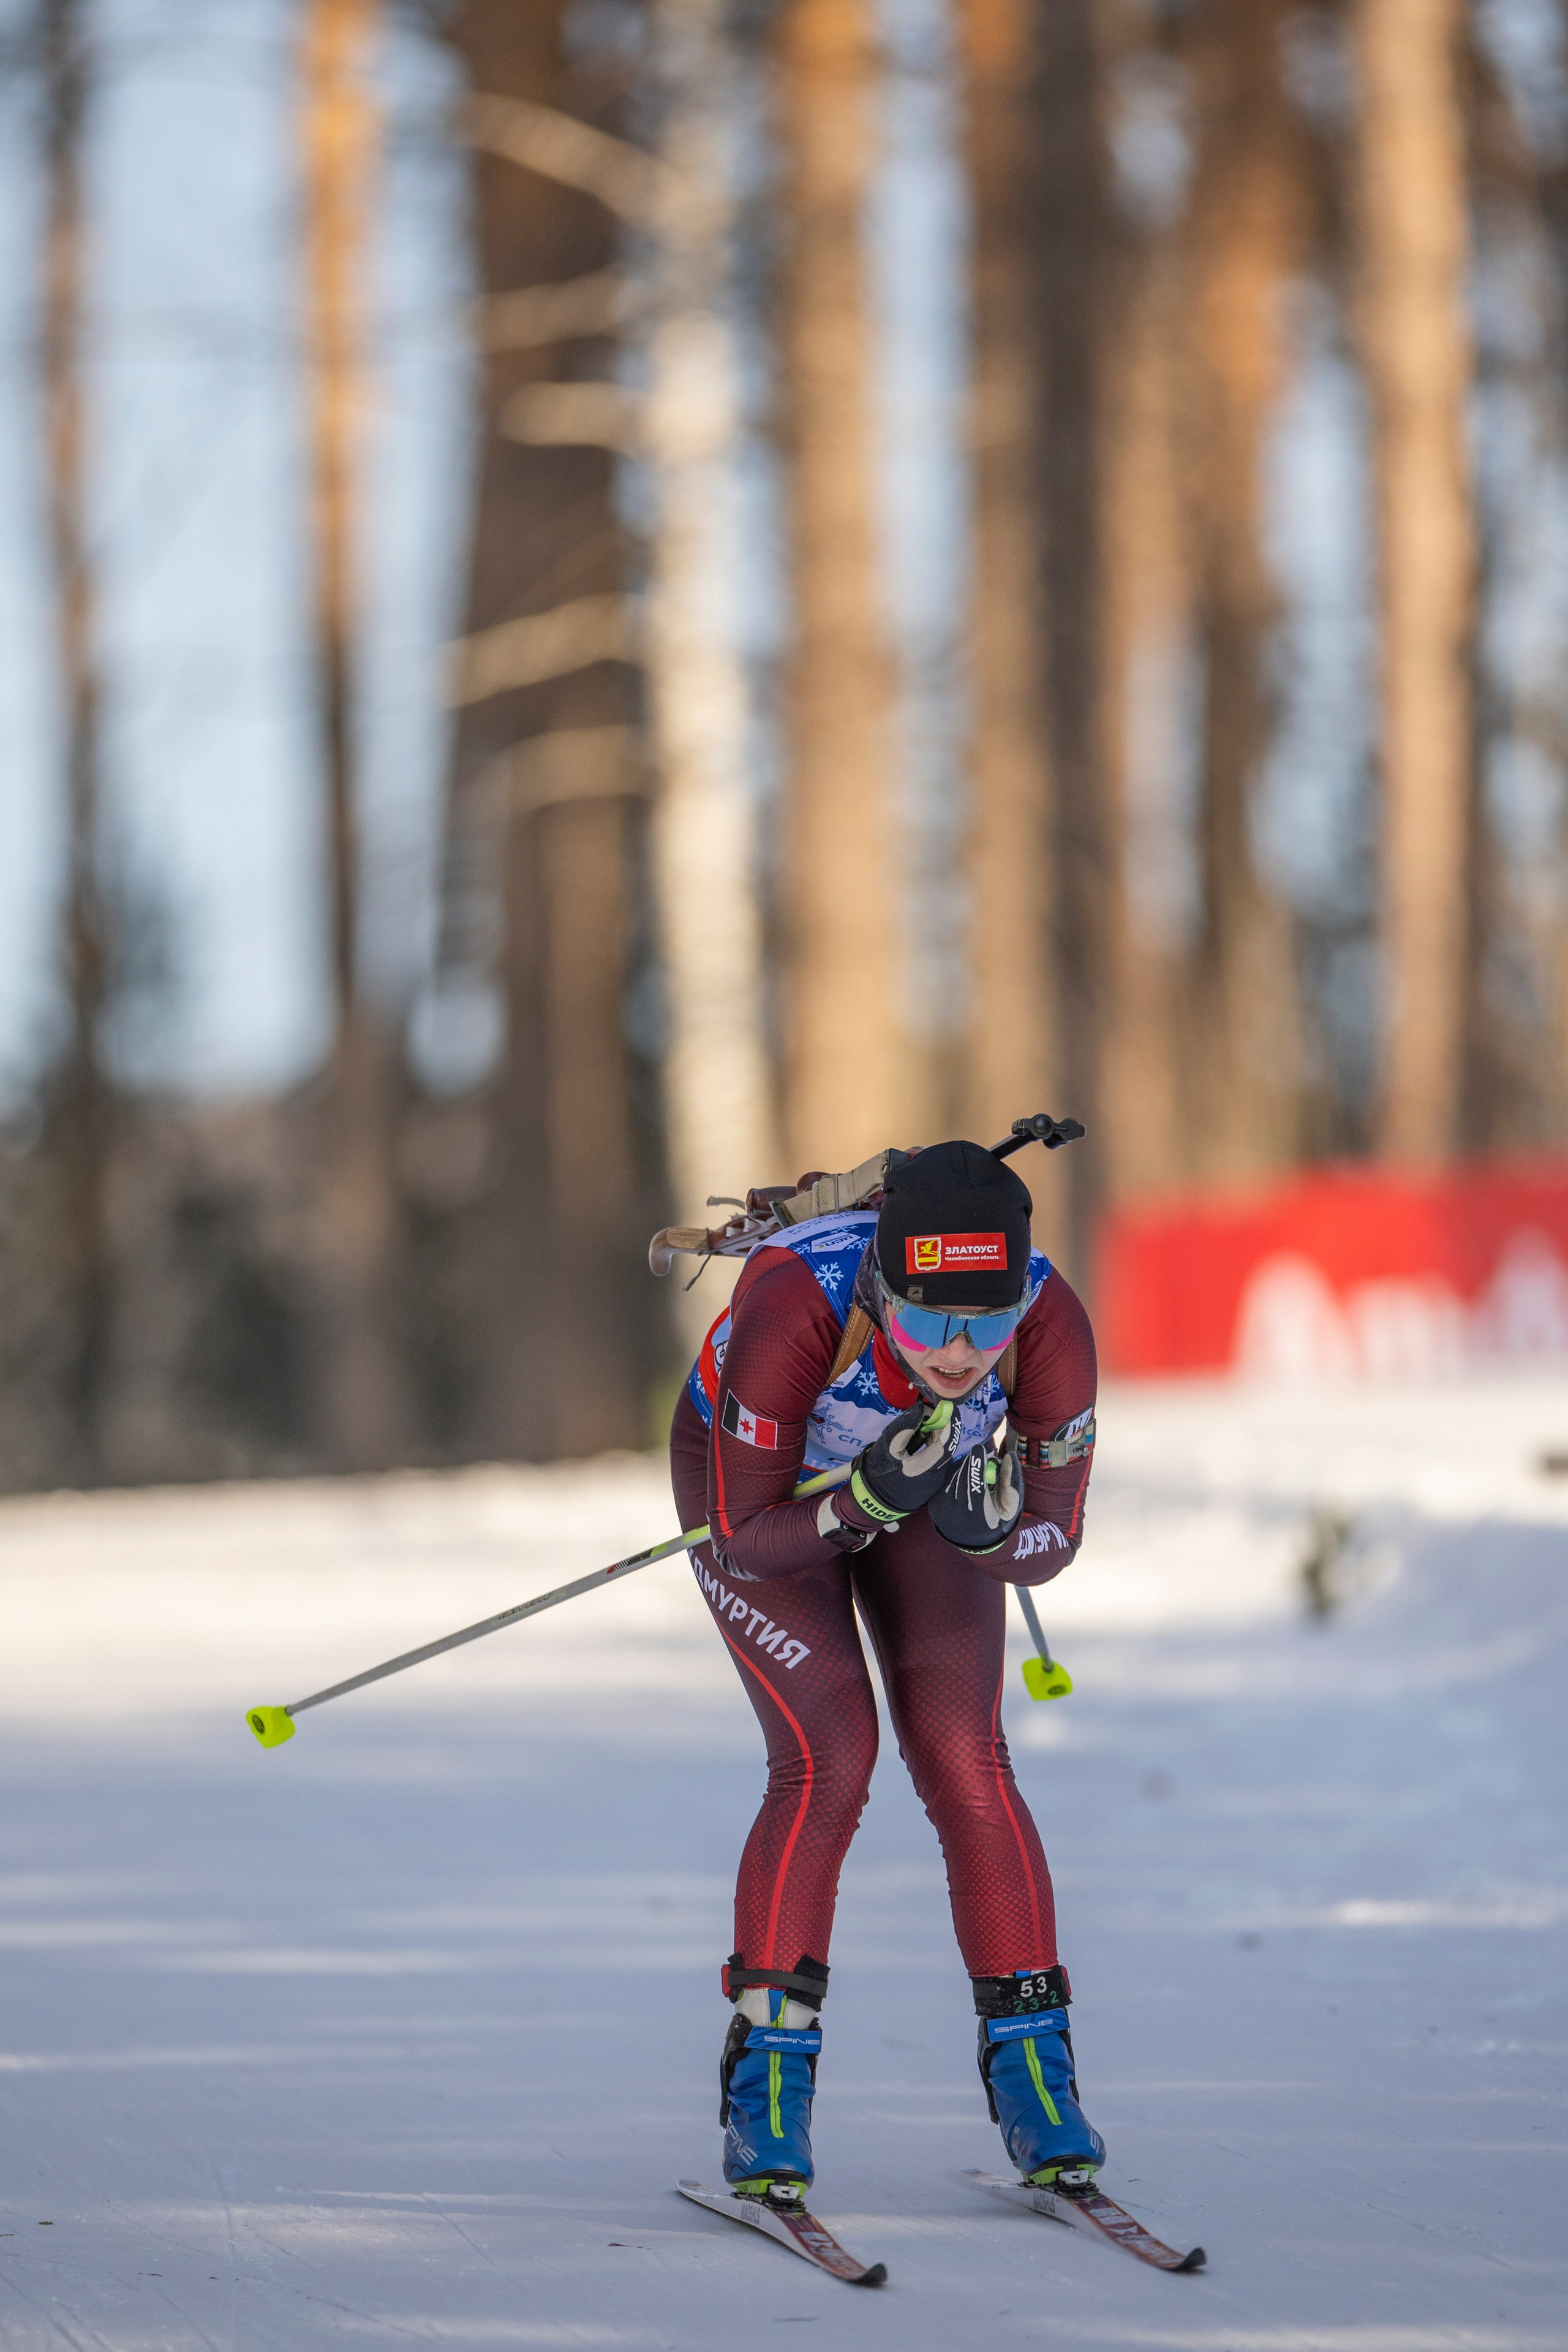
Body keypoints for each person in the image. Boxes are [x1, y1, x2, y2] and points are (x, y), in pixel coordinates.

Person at [669, 1136, 1102, 2207]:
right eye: (929, 1320)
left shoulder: (1052, 1324)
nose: (960, 1352)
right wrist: (860, 1502)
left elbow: (1055, 1538)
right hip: (773, 1497)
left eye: (986, 1321)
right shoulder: (795, 1306)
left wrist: (984, 1527)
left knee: (966, 1756)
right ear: (884, 1282)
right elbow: (747, 1536)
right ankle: (768, 2085)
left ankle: (1036, 2075)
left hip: (920, 1480)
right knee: (830, 1758)